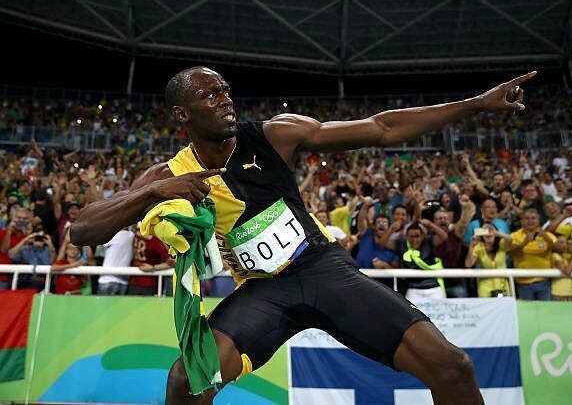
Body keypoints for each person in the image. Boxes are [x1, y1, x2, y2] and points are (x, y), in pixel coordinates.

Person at [71, 66, 536, 405]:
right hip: (262, 293)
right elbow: (82, 230)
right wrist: (155, 189)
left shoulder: (275, 135)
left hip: (322, 270)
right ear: (182, 114)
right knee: (187, 381)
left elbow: (382, 128)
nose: (225, 99)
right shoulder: (169, 172)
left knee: (453, 367)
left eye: (226, 91)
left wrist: (474, 104)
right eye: (210, 95)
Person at [504, 209, 558, 300]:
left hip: (544, 281)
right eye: (527, 218)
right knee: (527, 312)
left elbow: (559, 249)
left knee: (545, 311)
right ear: (522, 221)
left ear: (539, 220)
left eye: (533, 218)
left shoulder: (548, 235)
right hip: (523, 282)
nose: (530, 221)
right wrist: (523, 243)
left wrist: (547, 239)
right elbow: (507, 251)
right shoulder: (515, 236)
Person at [400, 220, 448, 301]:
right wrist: (392, 229)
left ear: (422, 236)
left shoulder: (429, 242)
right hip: (413, 290)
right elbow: (382, 243)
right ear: (407, 237)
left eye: (417, 236)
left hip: (434, 289)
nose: (414, 239)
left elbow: (444, 237)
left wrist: (430, 224)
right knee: (410, 313)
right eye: (412, 236)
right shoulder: (402, 246)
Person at [465, 224, 511, 298]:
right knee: (488, 307)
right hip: (485, 287)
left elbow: (510, 239)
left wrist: (497, 233)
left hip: (502, 287)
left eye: (490, 230)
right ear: (481, 234)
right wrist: (471, 246)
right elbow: (468, 264)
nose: (488, 233)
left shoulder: (501, 245)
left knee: (501, 306)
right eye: (485, 230)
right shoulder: (478, 247)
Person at [97, 227, 135, 295]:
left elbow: (99, 240)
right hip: (123, 282)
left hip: (107, 280)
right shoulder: (131, 236)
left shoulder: (114, 235)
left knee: (102, 306)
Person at [550, 236, 572, 301]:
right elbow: (567, 271)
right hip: (557, 294)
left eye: (565, 243)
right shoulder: (554, 255)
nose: (563, 245)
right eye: (560, 242)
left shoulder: (567, 256)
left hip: (571, 293)